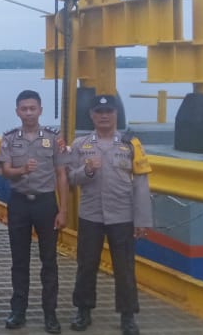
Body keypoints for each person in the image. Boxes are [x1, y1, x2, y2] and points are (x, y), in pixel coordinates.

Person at [67, 95, 153, 335]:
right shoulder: (80, 145)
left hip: (122, 215)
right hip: (91, 215)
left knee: (125, 268)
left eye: (109, 111)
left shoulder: (130, 144)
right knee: (86, 265)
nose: (104, 116)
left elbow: (141, 183)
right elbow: (71, 178)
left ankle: (128, 316)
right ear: (92, 115)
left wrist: (142, 219)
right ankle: (83, 311)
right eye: (99, 111)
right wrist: (87, 170)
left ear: (116, 114)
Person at [0, 90, 68, 334]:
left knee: (49, 260)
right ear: (17, 111)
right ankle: (18, 310)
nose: (28, 113)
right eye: (23, 109)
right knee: (19, 260)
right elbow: (5, 171)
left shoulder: (53, 138)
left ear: (40, 110)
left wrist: (63, 210)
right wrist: (21, 170)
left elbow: (61, 174)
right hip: (18, 203)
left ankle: (50, 313)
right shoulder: (9, 138)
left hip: (45, 204)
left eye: (32, 108)